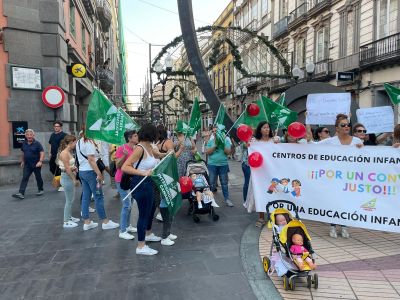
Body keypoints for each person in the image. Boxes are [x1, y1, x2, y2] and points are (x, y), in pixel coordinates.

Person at [317, 114, 363, 238]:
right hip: (334, 178)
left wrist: (395, 148)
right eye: (343, 125)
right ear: (337, 128)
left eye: (348, 124)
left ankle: (344, 226)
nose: (346, 126)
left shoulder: (357, 141)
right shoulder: (330, 141)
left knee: (346, 202)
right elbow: (311, 148)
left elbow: (368, 156)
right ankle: (332, 226)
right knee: (334, 202)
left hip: (350, 178)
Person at [122, 124, 162, 255]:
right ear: (151, 134)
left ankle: (148, 233)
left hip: (149, 182)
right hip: (141, 183)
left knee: (151, 210)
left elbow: (157, 154)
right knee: (144, 214)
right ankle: (141, 246)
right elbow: (125, 167)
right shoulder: (139, 148)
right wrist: (143, 173)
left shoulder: (149, 146)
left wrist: (168, 153)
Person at [76, 131, 119, 231]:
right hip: (91, 173)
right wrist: (99, 174)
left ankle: (86, 222)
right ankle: (105, 222)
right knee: (98, 196)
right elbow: (91, 160)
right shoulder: (89, 143)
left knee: (86, 197)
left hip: (82, 171)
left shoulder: (79, 142)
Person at [155, 125, 178, 246]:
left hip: (160, 175)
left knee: (166, 201)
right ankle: (165, 235)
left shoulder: (157, 144)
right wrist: (181, 149)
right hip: (167, 174)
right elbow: (173, 158)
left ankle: (168, 233)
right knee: (168, 202)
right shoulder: (168, 142)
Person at [115, 130, 139, 240]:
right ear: (129, 138)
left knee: (131, 202)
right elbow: (118, 166)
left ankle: (128, 226)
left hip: (131, 179)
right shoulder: (122, 148)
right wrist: (124, 156)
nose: (137, 137)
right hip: (121, 180)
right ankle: (122, 230)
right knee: (126, 204)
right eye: (135, 136)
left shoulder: (135, 148)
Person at [12, 129, 45, 199]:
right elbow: (23, 153)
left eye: (31, 135)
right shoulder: (24, 143)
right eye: (28, 135)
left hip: (36, 164)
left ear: (33, 135)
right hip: (27, 164)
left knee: (38, 177)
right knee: (25, 177)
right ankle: (21, 193)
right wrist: (23, 161)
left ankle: (40, 189)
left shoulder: (37, 143)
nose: (29, 136)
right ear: (25, 136)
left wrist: (40, 161)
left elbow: (42, 152)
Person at [205, 124, 233, 207]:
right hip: (212, 165)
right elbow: (208, 152)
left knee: (224, 183)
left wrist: (222, 144)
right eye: (213, 131)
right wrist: (215, 145)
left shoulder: (226, 140)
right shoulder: (210, 141)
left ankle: (227, 199)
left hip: (223, 165)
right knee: (212, 183)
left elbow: (228, 152)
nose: (214, 133)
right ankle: (210, 200)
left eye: (216, 131)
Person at [57, 135, 80, 228]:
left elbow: (68, 166)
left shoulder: (68, 152)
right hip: (67, 177)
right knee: (69, 200)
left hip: (68, 176)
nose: (75, 144)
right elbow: (66, 168)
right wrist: (74, 179)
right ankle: (66, 221)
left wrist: (73, 168)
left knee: (71, 199)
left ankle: (69, 217)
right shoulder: (64, 153)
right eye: (75, 142)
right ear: (70, 143)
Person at [48, 121, 67, 191]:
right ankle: (59, 180)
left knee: (59, 169)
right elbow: (50, 144)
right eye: (55, 126)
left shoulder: (64, 135)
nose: (56, 128)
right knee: (51, 168)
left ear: (60, 127)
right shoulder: (52, 135)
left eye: (57, 126)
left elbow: (67, 145)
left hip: (60, 155)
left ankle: (62, 184)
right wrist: (49, 153)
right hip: (53, 155)